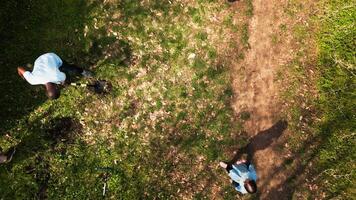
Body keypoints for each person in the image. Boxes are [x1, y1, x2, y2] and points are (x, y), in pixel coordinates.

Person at [17, 53, 92, 100]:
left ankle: (83, 72)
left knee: (68, 67)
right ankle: (83, 72)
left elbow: (64, 77)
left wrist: (64, 82)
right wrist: (21, 74)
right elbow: (19, 68)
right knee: (59, 70)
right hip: (39, 60)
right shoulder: (32, 80)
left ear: (56, 87)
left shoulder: (58, 77)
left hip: (51, 57)